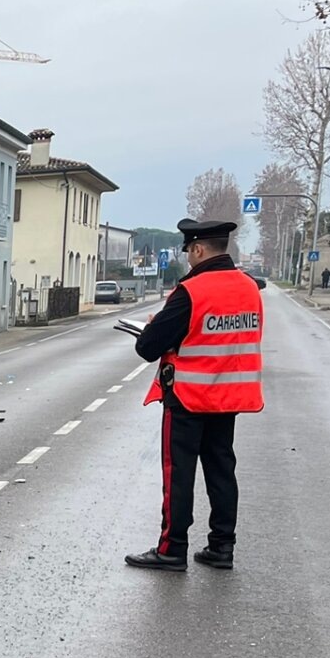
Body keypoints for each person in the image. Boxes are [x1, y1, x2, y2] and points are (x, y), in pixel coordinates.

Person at [125, 219, 265, 571]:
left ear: (199, 249)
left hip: (188, 397)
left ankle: (172, 549)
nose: (188, 258)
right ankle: (222, 547)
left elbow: (148, 346)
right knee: (221, 469)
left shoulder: (192, 291)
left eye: (189, 251)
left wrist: (158, 326)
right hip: (230, 395)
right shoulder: (249, 288)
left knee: (179, 473)